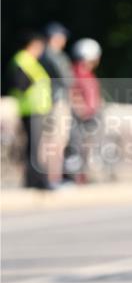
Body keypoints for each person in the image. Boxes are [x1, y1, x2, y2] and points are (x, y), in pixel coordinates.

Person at [7, 29, 52, 189]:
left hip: (35, 109)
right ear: (33, 45)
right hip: (31, 109)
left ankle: (35, 180)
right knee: (33, 148)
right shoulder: (22, 60)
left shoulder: (28, 61)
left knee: (34, 147)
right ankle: (38, 181)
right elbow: (19, 84)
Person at [40, 21, 73, 187]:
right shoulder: (52, 56)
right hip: (57, 102)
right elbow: (68, 79)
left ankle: (53, 178)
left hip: (51, 102)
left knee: (54, 142)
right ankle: (53, 179)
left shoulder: (42, 55)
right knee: (56, 141)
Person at [68, 38, 103, 181]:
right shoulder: (75, 72)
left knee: (87, 148)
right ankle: (75, 177)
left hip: (90, 117)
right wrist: (79, 108)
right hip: (79, 117)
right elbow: (71, 93)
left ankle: (83, 176)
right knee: (76, 148)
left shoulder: (87, 73)